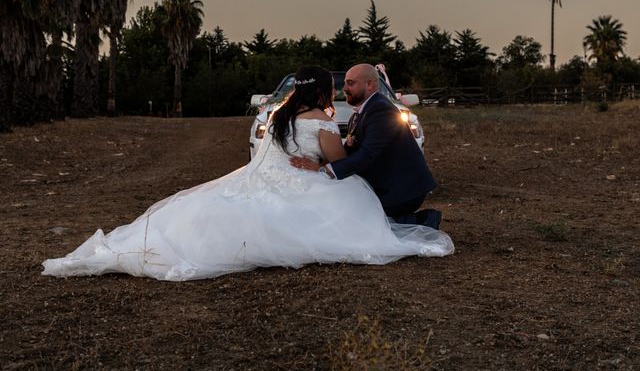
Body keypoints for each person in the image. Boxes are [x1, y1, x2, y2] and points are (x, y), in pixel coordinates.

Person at [42, 66, 453, 281]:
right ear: (322, 92)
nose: (340, 91)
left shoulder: (278, 115)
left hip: (262, 178)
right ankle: (417, 222)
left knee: (245, 209)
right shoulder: (324, 121)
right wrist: (333, 155)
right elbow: (340, 154)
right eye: (336, 86)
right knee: (348, 215)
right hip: (305, 178)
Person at [290, 63, 440, 227]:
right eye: (345, 83)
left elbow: (366, 155)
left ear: (369, 84)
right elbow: (348, 151)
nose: (344, 88)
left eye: (351, 83)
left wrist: (321, 171)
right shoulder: (361, 113)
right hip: (382, 184)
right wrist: (321, 164)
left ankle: (421, 222)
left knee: (355, 220)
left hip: (401, 191)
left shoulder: (382, 110)